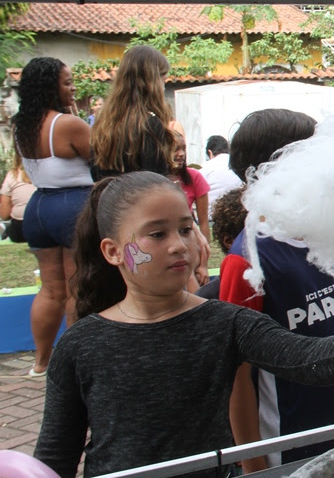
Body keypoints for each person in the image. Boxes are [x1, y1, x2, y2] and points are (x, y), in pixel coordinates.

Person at [27, 171, 334, 478]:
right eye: (157, 234)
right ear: (113, 251)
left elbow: (304, 359)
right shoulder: (81, 345)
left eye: (186, 228)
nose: (178, 244)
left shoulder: (224, 322)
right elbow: (53, 458)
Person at [220, 109, 334, 470]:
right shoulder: (247, 261)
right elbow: (235, 376)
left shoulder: (323, 238)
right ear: (273, 169)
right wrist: (252, 464)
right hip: (286, 445)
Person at [12, 57, 93, 377]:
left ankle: (41, 364)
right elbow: (100, 161)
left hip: (38, 208)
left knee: (49, 290)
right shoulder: (67, 124)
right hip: (72, 207)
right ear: (50, 87)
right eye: (67, 83)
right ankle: (75, 367)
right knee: (77, 289)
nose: (73, 89)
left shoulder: (23, 124)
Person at [90, 45, 175, 180]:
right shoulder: (149, 124)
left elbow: (95, 171)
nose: (163, 87)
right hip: (140, 198)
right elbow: (156, 181)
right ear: (151, 82)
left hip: (107, 198)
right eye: (163, 80)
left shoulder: (103, 121)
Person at [170, 131, 211, 246]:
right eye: (176, 149)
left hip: (187, 237)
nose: (182, 153)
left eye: (184, 149)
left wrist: (204, 250)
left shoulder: (194, 177)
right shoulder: (154, 180)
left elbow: (203, 222)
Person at [199, 135, 242, 220]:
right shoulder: (238, 164)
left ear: (210, 153)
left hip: (212, 218)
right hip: (238, 216)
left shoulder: (205, 167)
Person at [0, 151, 37, 243]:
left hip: (21, 229)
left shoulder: (12, 175)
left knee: (8, 228)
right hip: (48, 225)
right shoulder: (50, 174)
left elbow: (5, 215)